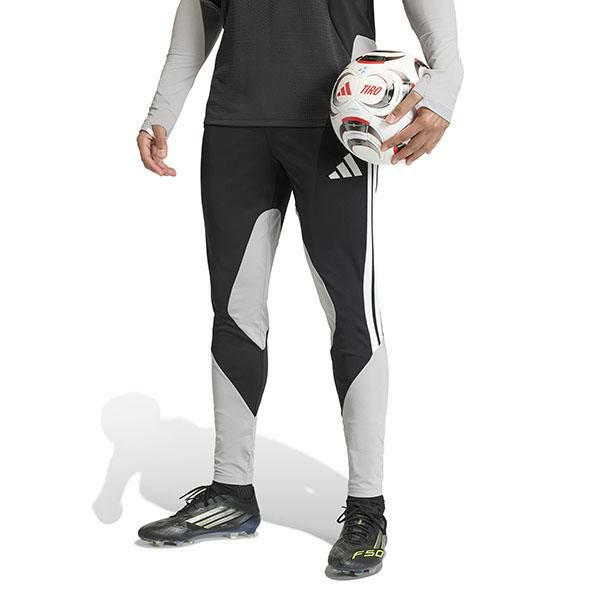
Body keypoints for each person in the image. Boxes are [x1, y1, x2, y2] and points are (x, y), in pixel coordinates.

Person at [136, 0, 463, 578]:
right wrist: (162, 111)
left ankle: (367, 510)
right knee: (234, 311)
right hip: (235, 126)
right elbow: (200, 13)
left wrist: (443, 90)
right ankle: (232, 493)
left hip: (337, 124)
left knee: (351, 313)